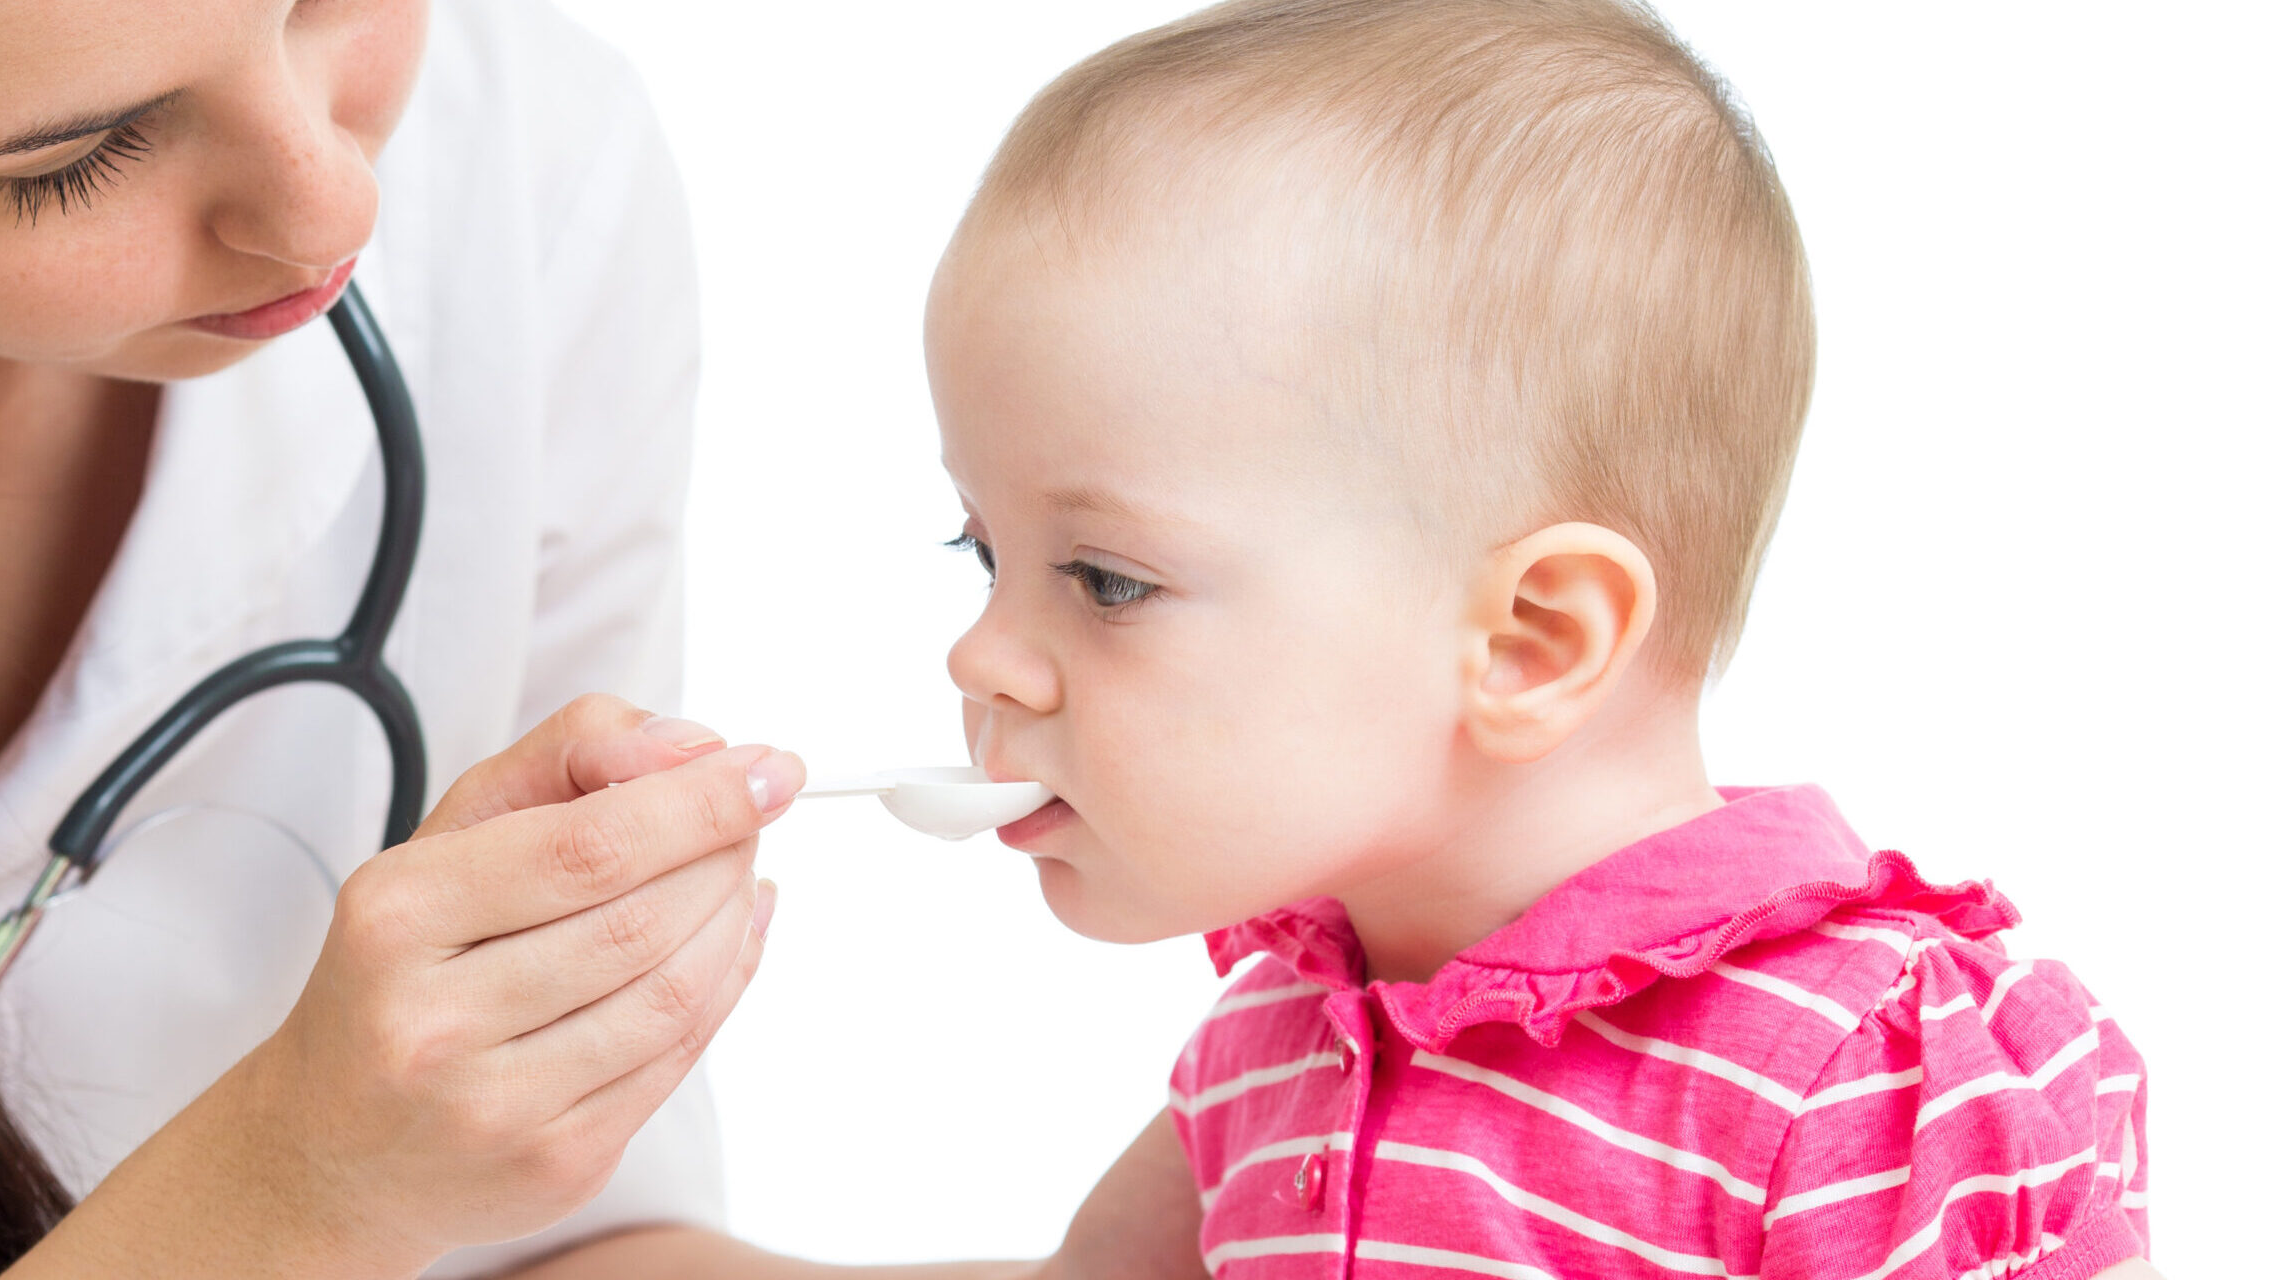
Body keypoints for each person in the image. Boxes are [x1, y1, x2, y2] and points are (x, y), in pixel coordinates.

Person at [913, 1, 2163, 1276]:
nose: (980, 656)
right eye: (984, 551)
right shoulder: (1278, 1048)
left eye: (1106, 579)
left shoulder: (1854, 1083)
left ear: (1529, 641)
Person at [0, 0, 820, 1274]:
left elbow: (549, 1237)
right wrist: (296, 1182)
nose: (333, 212)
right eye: (78, 155)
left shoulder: (527, 166)